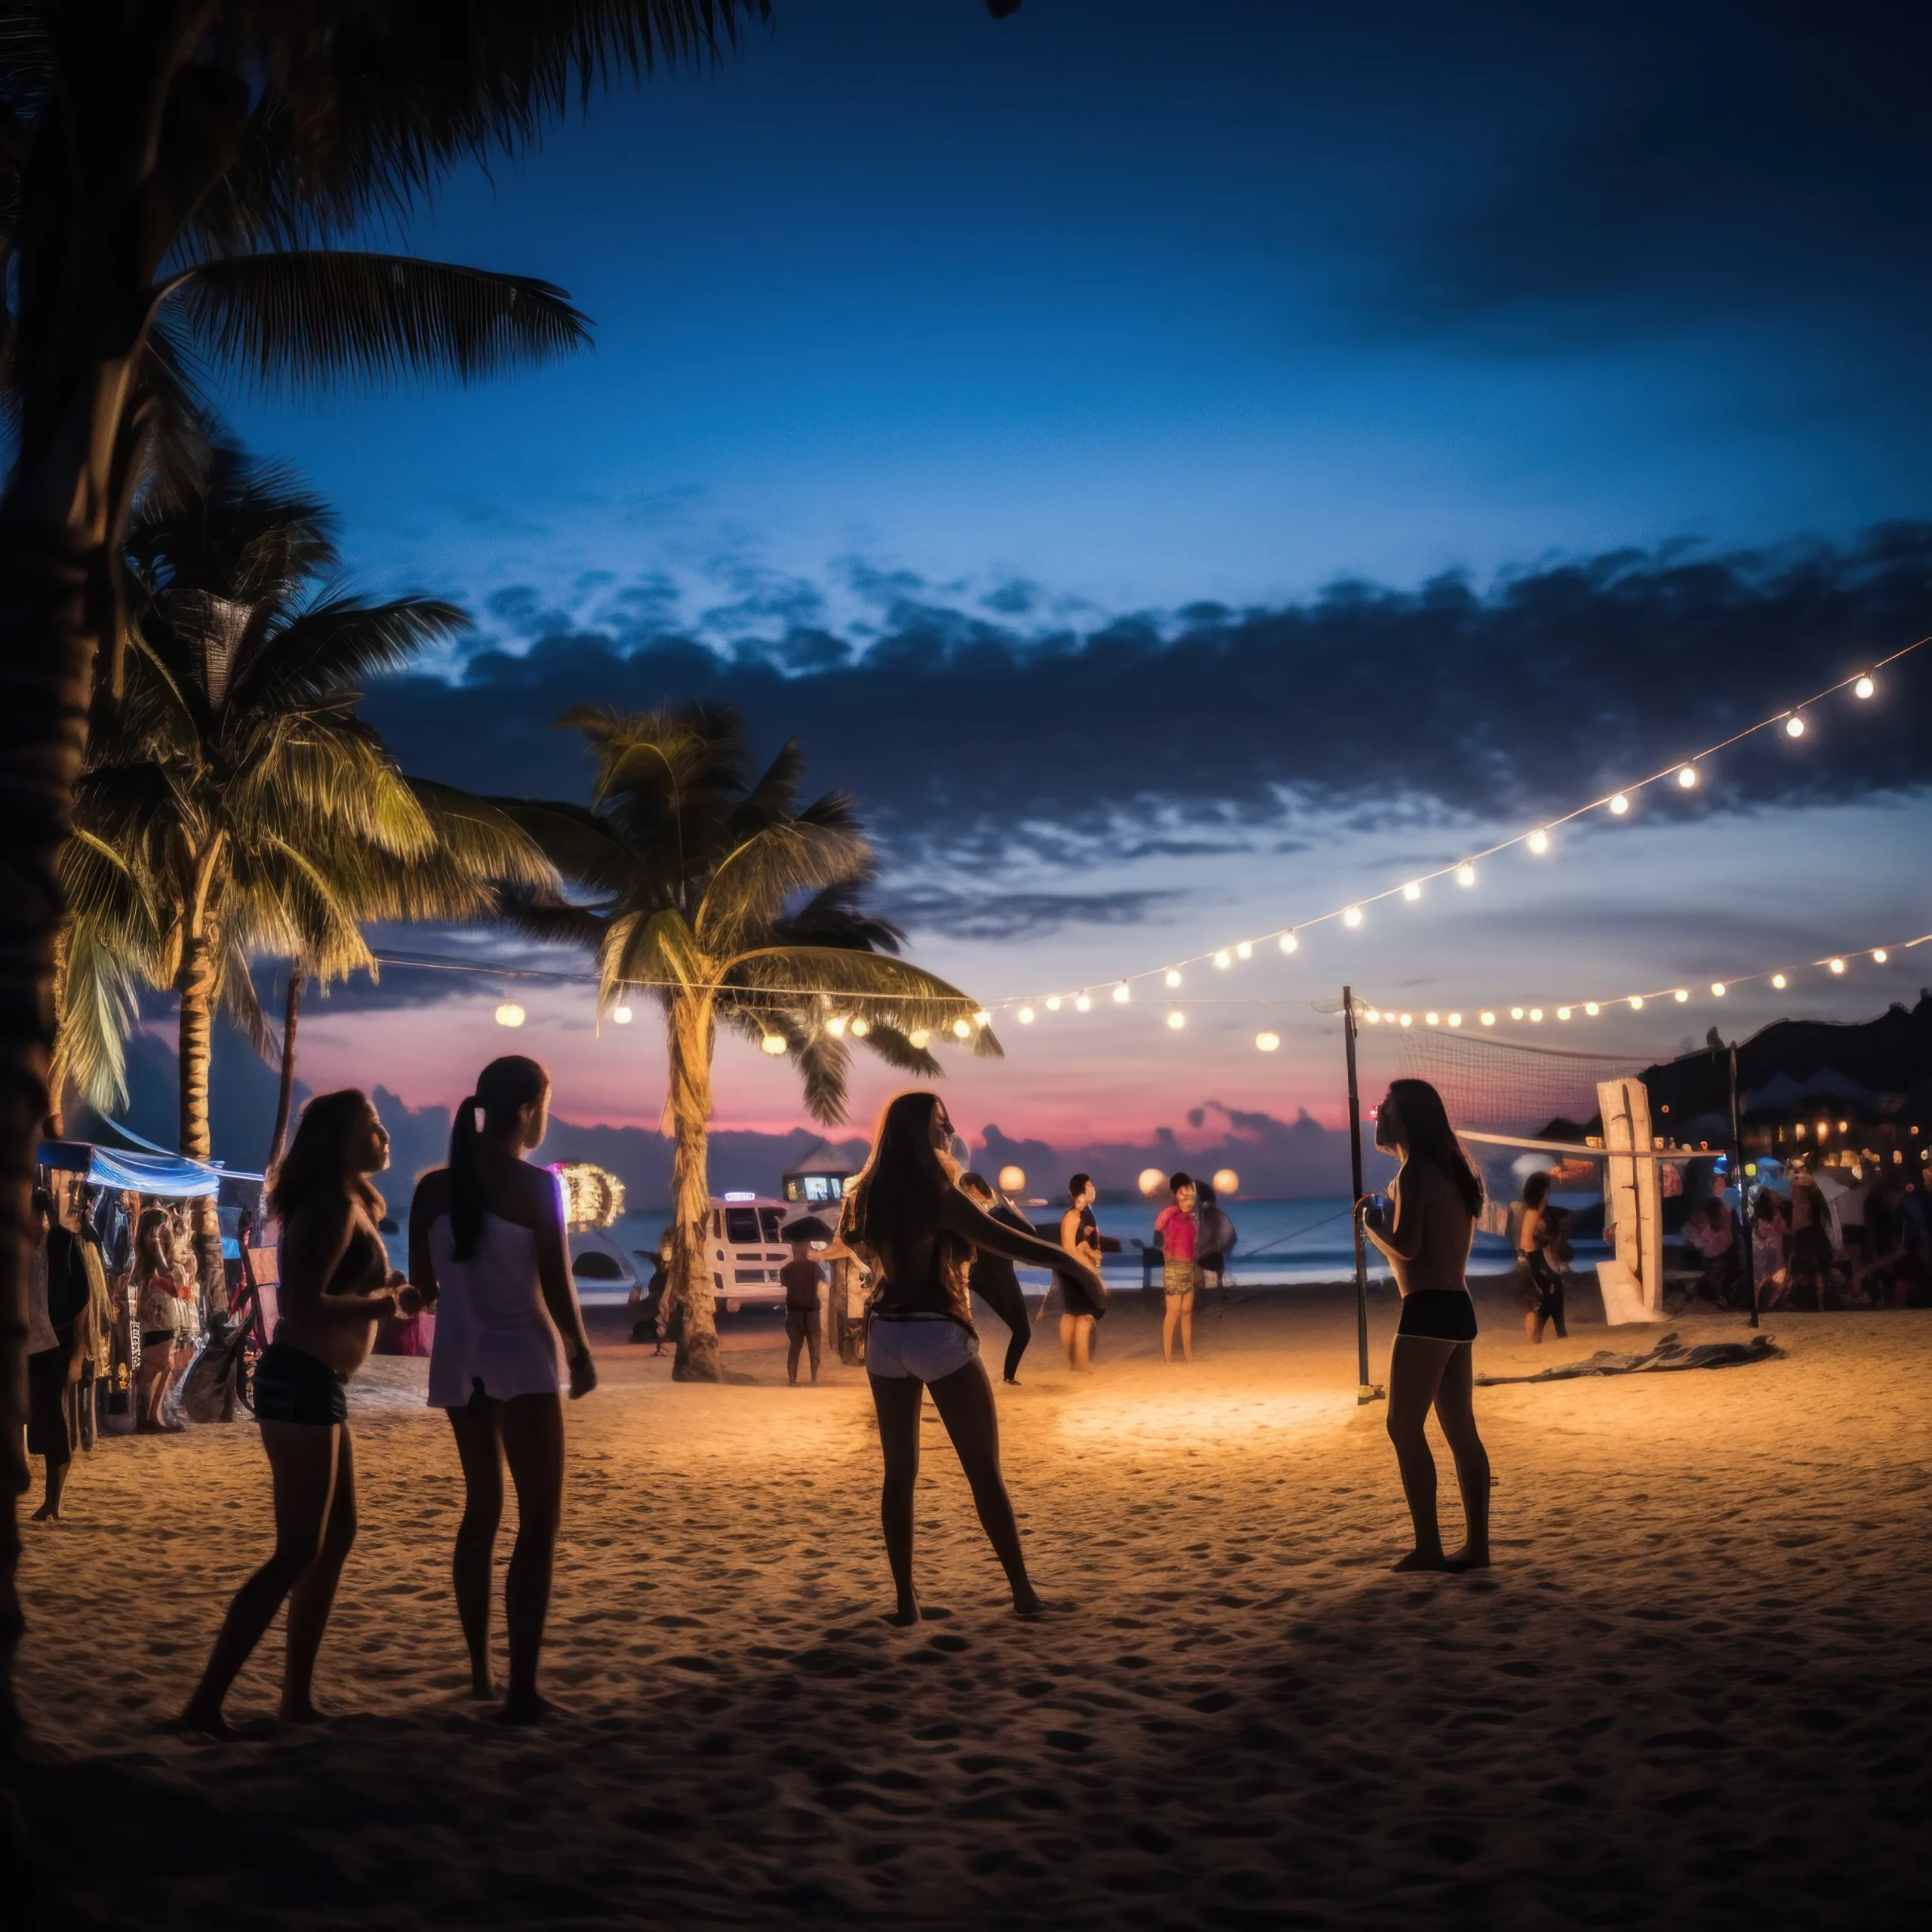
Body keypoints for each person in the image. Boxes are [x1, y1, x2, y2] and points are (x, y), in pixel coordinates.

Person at [174, 1091, 404, 1737]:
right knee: (297, 1550)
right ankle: (205, 1704)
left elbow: (334, 1291)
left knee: (336, 1537)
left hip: (317, 1382)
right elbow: (302, 1306)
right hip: (299, 1380)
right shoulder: (330, 1206)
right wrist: (380, 1307)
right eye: (372, 1126)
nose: (385, 1135)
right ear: (339, 1140)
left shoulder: (348, 1203)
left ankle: (295, 1699)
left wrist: (385, 1293)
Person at [838, 1091, 1105, 1625]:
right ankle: (1024, 1595)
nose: (950, 1130)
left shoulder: (867, 1193)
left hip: (885, 1336)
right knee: (984, 1471)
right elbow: (1011, 1243)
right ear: (920, 1131)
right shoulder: (939, 1193)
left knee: (899, 1475)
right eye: (941, 1122)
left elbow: (857, 1243)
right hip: (937, 1332)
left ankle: (906, 1604)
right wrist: (1079, 1269)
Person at [409, 1055, 595, 1726]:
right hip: (523, 1356)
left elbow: (424, 1289)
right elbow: (557, 1281)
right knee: (538, 1519)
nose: (547, 1115)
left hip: (460, 1357)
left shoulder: (433, 1190)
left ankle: (481, 1674)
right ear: (526, 1111)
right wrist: (579, 1349)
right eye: (546, 1103)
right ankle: (522, 1691)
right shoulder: (538, 1186)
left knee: (481, 1510)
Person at [1357, 1078, 1492, 1573]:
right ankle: (1477, 1547)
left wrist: (1371, 1225)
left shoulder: (1416, 1171)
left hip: (1428, 1311)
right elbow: (1431, 1239)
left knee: (1402, 1426)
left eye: (1385, 1108)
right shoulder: (1449, 1170)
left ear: (1407, 1117)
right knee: (1461, 1432)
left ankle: (1429, 1547)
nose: (1378, 1115)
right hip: (1457, 1306)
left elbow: (1409, 1247)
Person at [24, 1186, 76, 1521]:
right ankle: (50, 1501)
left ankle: (52, 1501)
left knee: (52, 1416)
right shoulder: (20, 1247)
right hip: (30, 1343)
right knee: (41, 1419)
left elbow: (79, 1294)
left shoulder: (56, 1243)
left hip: (54, 1342)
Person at [958, 1173, 1035, 1386]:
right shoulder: (971, 1213)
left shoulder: (999, 1210)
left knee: (1023, 1332)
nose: (964, 1195)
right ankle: (966, 1375)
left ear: (974, 1187)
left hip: (998, 1275)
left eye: (965, 1190)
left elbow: (1029, 1232)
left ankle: (1008, 1376)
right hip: (976, 1275)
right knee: (961, 1329)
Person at [131, 1206, 193, 1432]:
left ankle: (152, 1416)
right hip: (158, 1315)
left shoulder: (146, 1252)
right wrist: (158, 1248)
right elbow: (166, 1274)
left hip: (159, 1315)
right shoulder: (150, 1251)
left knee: (162, 1366)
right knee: (155, 1367)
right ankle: (148, 1418)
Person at [1057, 1174, 1106, 1372]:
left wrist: (1096, 1254)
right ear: (1081, 1193)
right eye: (1090, 1186)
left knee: (1074, 1315)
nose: (1094, 1189)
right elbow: (1069, 1249)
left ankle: (1075, 1361)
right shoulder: (1073, 1217)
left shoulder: (1085, 1215)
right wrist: (1090, 1269)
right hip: (1076, 1273)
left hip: (1078, 1272)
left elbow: (1091, 1243)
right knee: (1084, 1316)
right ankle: (1081, 1362)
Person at [1514, 1172, 1568, 1342]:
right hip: (1533, 1258)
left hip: (1535, 1257)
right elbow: (1526, 1243)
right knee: (1549, 1296)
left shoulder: (1539, 1212)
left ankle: (1559, 1332)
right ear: (1542, 1192)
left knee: (1555, 1292)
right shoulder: (1533, 1213)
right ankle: (1540, 1333)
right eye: (1546, 1191)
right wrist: (1541, 1263)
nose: (1548, 1194)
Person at [1155, 1172, 1200, 1364]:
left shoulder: (1193, 1218)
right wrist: (1167, 1250)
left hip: (1189, 1268)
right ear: (1176, 1194)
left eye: (1191, 1193)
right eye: (1184, 1193)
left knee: (1187, 1311)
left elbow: (1196, 1243)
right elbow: (1157, 1238)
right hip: (1173, 1269)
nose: (1188, 1197)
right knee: (1173, 1312)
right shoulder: (1169, 1214)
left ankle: (1189, 1355)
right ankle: (1168, 1357)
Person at [780, 1228, 826, 1385]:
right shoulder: (815, 1268)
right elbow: (822, 1280)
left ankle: (792, 1379)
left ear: (793, 1250)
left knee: (795, 1347)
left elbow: (785, 1284)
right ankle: (814, 1378)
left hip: (794, 1313)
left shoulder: (786, 1270)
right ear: (806, 1249)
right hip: (811, 1312)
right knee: (814, 1347)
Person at [630, 1229, 671, 1349]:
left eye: (669, 1245)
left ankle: (661, 1340)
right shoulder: (659, 1263)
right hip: (659, 1297)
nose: (667, 1248)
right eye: (665, 1245)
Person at [1196, 1183, 1237, 1294]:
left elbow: (1212, 1236)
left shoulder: (1208, 1215)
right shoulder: (1213, 1214)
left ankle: (1215, 1289)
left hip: (1209, 1256)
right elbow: (1232, 1237)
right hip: (1213, 1255)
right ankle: (1218, 1288)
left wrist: (1202, 1252)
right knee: (1215, 1279)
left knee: (1209, 1282)